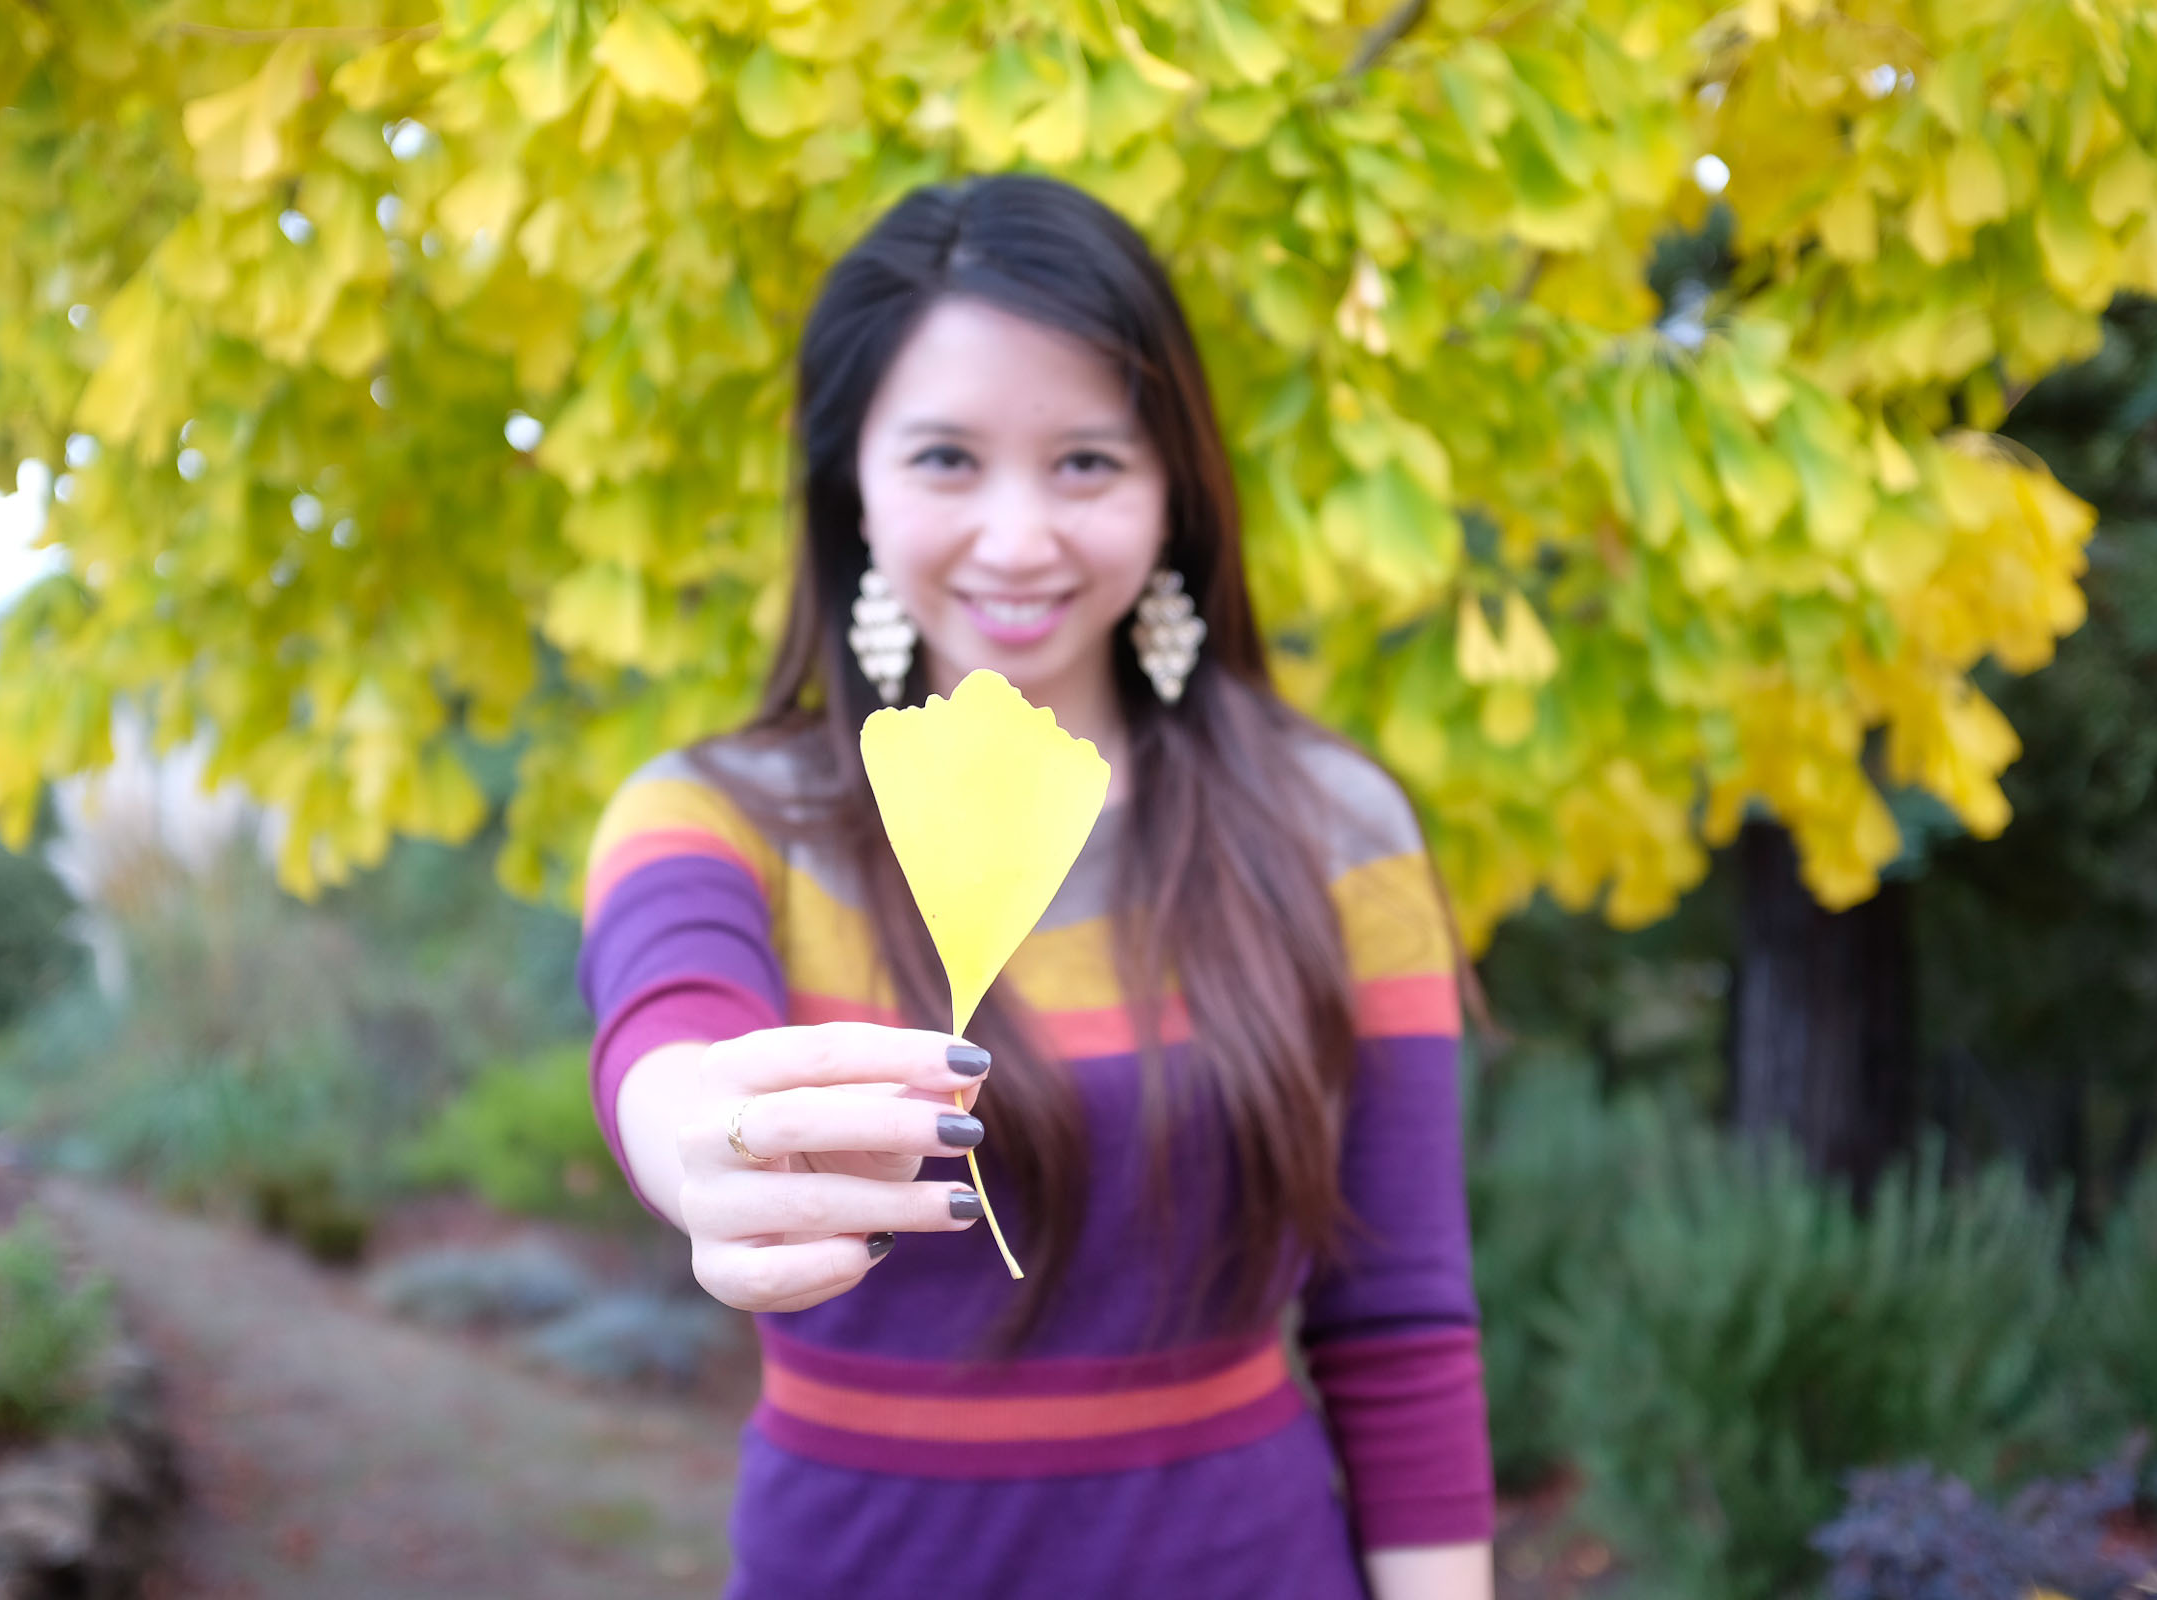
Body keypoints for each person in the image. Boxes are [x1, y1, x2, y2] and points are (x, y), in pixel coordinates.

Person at [579, 173, 1494, 1599]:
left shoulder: (1332, 827)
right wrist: (697, 1138)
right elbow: (670, 1030)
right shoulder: (718, 817)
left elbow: (1401, 1324)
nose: (1019, 539)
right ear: (852, 482)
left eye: (1087, 462)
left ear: (1174, 488)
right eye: (947, 459)